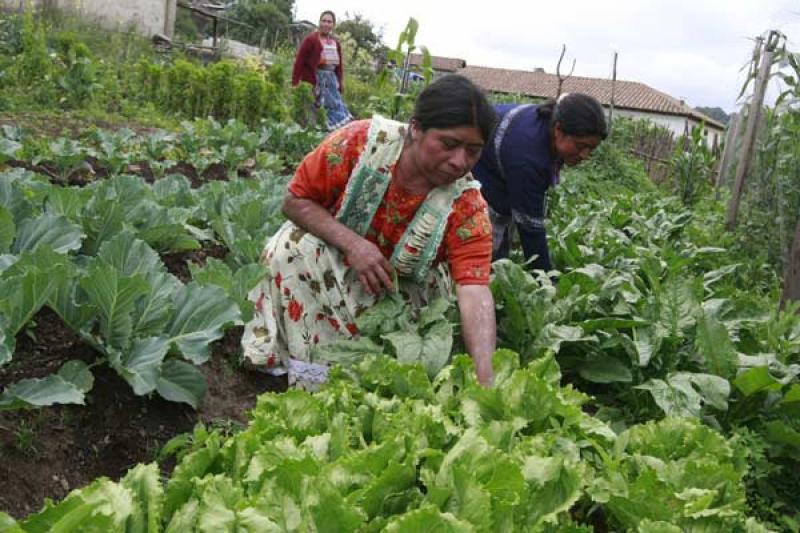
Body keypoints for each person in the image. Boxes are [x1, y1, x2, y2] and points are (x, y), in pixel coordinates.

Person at [242, 75, 498, 390]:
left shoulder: (467, 204)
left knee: (409, 353)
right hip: (333, 263)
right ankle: (308, 374)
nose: (460, 161)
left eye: (473, 151)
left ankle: (364, 377)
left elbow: (474, 291)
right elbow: (295, 201)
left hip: (402, 292)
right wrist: (354, 245)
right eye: (448, 144)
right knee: (290, 247)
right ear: (416, 128)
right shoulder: (359, 143)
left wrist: (486, 380)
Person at [472, 93, 607, 271]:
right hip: (479, 176)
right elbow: (530, 226)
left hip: (497, 168)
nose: (585, 155)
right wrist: (546, 279)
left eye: (591, 149)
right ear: (559, 130)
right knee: (480, 261)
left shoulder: (547, 124)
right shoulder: (528, 156)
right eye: (581, 146)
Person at [291, 10, 353, 130]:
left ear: (333, 25)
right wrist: (295, 82)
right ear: (319, 22)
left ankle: (330, 136)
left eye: (329, 22)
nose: (326, 24)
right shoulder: (311, 40)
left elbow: (339, 67)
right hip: (315, 80)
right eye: (323, 21)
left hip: (331, 82)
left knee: (334, 107)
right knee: (315, 107)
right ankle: (313, 133)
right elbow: (299, 62)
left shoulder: (336, 43)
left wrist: (340, 83)